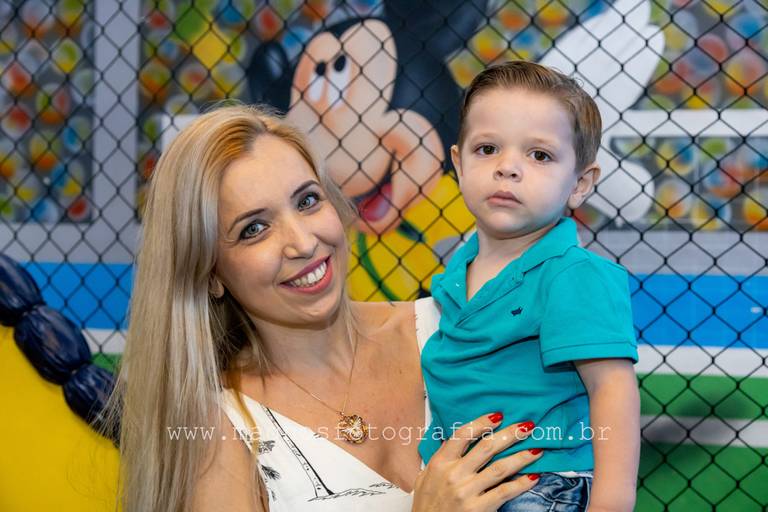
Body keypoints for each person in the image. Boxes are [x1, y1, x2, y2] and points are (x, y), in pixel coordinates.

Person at [102, 104, 546, 512]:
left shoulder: (454, 329)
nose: (303, 242)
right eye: (254, 228)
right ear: (210, 273)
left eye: (307, 201)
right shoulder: (217, 431)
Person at [418, 61, 641, 512]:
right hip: (458, 483)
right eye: (487, 149)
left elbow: (612, 390)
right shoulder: (456, 272)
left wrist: (611, 502)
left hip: (541, 484)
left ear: (580, 183)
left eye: (539, 155)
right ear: (458, 164)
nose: (507, 168)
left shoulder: (572, 274)